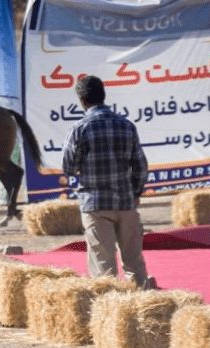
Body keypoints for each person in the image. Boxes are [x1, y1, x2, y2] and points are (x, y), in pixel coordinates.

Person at [62, 75, 156, 290]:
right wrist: (135, 193)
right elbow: (140, 166)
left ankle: (113, 314)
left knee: (104, 268)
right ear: (103, 96)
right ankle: (141, 309)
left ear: (82, 100)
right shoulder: (127, 125)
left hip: (95, 205)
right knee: (134, 263)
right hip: (126, 203)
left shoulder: (79, 129)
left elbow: (68, 167)